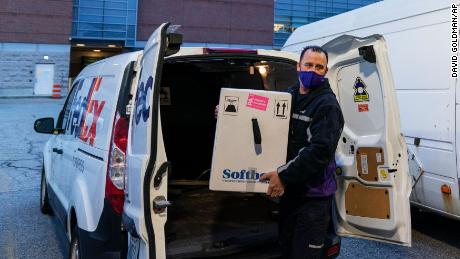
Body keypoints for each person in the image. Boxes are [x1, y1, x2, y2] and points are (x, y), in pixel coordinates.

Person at [259, 46, 344, 259]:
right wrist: (229, 114)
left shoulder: (327, 105)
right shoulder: (290, 96)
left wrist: (283, 176)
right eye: (308, 65)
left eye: (318, 67)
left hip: (313, 199)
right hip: (291, 195)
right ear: (298, 67)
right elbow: (263, 117)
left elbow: (319, 152)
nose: (312, 71)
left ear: (325, 71)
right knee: (286, 250)